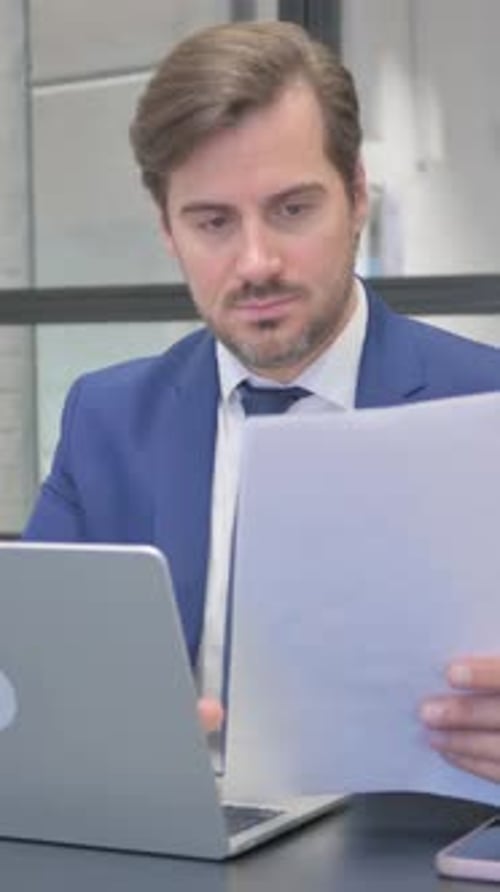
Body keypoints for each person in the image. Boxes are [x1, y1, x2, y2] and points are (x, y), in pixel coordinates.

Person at [24, 21, 500, 778]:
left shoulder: (488, 407)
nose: (256, 262)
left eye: (291, 210)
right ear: (168, 232)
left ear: (354, 197)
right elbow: (27, 678)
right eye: (213, 222)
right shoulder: (106, 420)